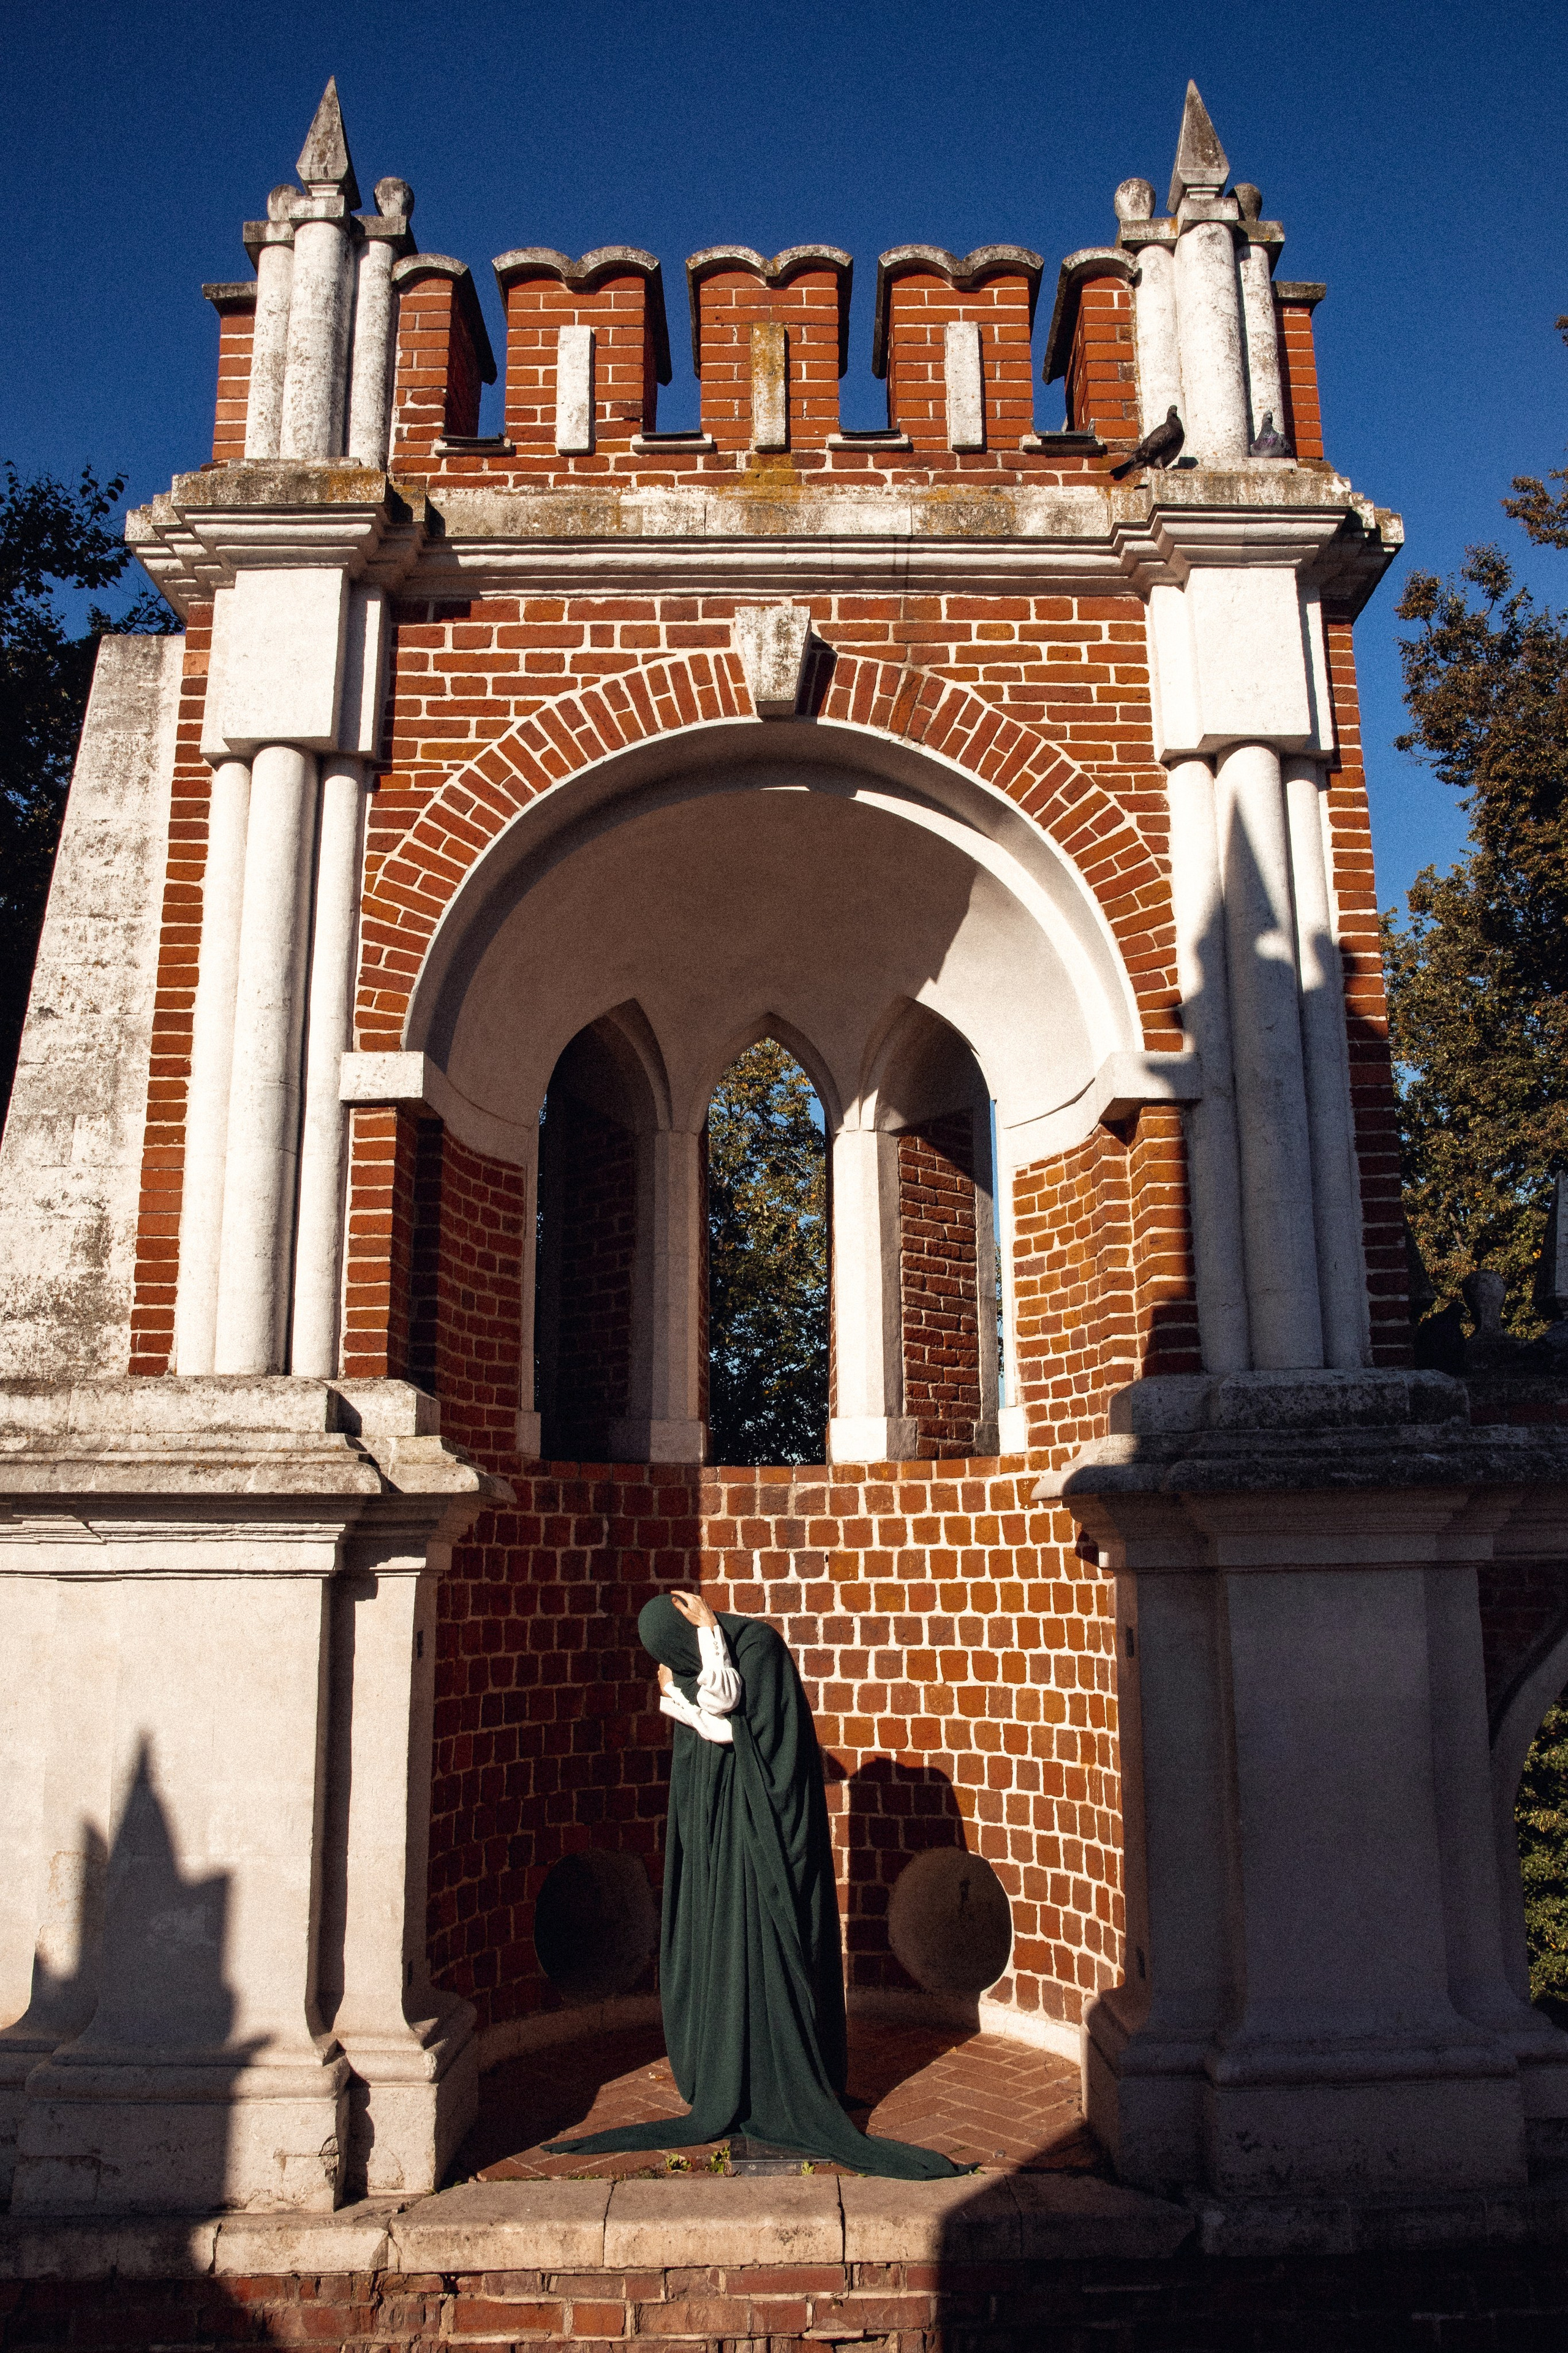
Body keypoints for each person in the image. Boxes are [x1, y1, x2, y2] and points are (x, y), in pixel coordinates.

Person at [543, 1589, 962, 2178]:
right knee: (728, 1949)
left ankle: (778, 2075)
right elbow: (710, 1727)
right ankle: (732, 2068)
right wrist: (680, 1692)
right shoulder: (702, 1662)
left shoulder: (756, 1647)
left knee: (766, 1944)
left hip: (765, 1833)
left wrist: (711, 1637)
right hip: (730, 1834)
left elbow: (744, 1726)